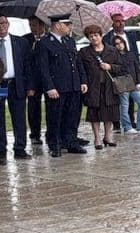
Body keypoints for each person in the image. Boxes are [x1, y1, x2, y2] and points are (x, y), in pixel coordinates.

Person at [35, 14, 88, 157]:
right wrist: (49, 87)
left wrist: (82, 80)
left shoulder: (69, 41)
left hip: (73, 85)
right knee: (55, 116)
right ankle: (55, 144)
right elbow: (43, 68)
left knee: (73, 115)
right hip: (57, 87)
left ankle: (70, 141)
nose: (70, 27)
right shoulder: (45, 43)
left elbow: (77, 63)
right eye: (67, 24)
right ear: (57, 25)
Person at [79, 24, 123, 150]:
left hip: (109, 86)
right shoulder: (84, 52)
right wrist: (84, 83)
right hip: (93, 87)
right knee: (94, 113)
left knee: (109, 112)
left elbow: (121, 67)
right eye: (90, 36)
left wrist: (110, 67)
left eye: (96, 35)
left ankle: (108, 136)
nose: (94, 38)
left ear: (101, 36)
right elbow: (81, 70)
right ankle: (97, 138)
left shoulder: (112, 50)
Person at [0, 15, 33, 162]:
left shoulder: (21, 42)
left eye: (3, 23)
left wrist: (30, 86)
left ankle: (20, 148)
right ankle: (1, 150)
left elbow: (28, 66)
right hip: (1, 83)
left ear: (8, 24)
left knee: (19, 117)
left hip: (16, 83)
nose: (1, 26)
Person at [104, 13, 140, 131]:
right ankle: (117, 124)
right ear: (112, 23)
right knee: (119, 101)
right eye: (117, 21)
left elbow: (135, 53)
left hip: (131, 71)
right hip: (116, 73)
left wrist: (137, 70)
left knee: (131, 100)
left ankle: (131, 121)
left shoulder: (130, 35)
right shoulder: (107, 38)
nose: (121, 23)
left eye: (122, 21)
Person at [111, 36, 140, 134]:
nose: (119, 45)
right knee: (125, 105)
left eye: (121, 43)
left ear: (124, 43)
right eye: (117, 44)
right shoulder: (114, 57)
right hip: (122, 82)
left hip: (133, 82)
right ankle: (127, 127)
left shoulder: (130, 54)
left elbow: (137, 69)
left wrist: (139, 82)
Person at [23, 16, 47, 146]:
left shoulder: (49, 38)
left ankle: (51, 133)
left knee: (51, 107)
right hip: (33, 79)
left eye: (35, 25)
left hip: (47, 79)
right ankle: (35, 133)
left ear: (42, 25)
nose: (33, 28)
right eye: (31, 25)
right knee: (33, 107)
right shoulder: (25, 39)